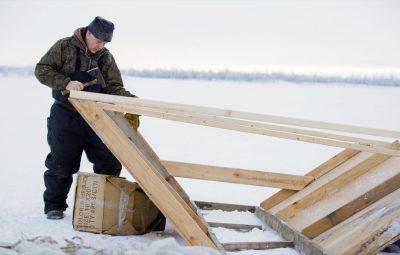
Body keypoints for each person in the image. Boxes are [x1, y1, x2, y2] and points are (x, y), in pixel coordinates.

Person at [35, 16, 139, 220]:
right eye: (99, 41)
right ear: (89, 33)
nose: (101, 46)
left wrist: (130, 100)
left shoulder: (105, 57)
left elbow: (114, 87)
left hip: (98, 117)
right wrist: (66, 82)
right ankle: (55, 206)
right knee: (61, 164)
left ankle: (103, 206)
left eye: (105, 43)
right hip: (67, 116)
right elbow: (42, 70)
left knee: (109, 163)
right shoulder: (64, 47)